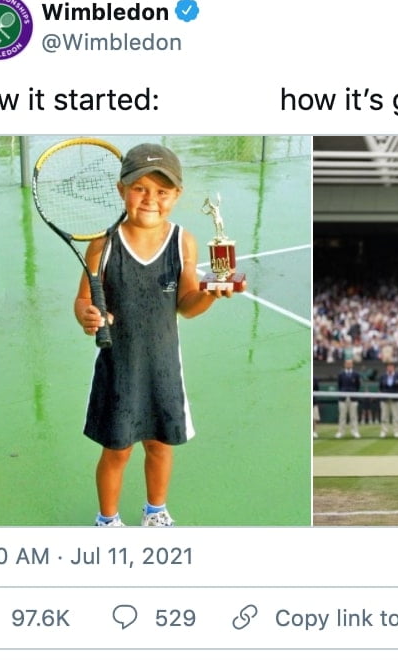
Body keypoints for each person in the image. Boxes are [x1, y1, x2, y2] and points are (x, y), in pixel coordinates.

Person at [75, 143, 236, 527]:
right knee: (117, 451)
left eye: (162, 191)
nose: (151, 199)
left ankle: (156, 512)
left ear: (176, 196)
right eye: (140, 188)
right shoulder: (103, 244)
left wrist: (211, 294)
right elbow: (83, 299)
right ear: (121, 190)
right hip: (119, 368)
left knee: (160, 446)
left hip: (164, 367)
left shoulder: (184, 242)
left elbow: (187, 304)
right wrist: (88, 315)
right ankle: (107, 520)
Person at [336, 359, 362, 438]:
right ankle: (341, 432)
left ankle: (355, 432)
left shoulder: (356, 374)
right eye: (347, 363)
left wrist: (353, 393)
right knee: (342, 416)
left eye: (350, 363)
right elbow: (339, 385)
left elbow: (358, 386)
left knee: (353, 416)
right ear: (344, 364)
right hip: (342, 398)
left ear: (352, 365)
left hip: (353, 398)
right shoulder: (340, 374)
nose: (348, 365)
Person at [379, 362, 398, 437]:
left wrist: (396, 396)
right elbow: (380, 387)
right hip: (385, 399)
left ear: (394, 368)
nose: (390, 368)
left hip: (396, 400)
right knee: (384, 416)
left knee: (396, 417)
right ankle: (384, 431)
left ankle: (396, 431)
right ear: (386, 368)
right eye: (388, 367)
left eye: (391, 367)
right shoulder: (383, 376)